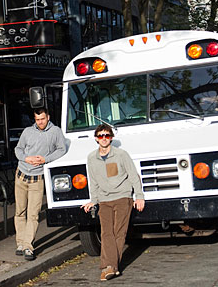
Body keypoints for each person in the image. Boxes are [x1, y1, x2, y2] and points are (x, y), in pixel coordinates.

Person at [81, 124, 145, 281]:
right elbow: (93, 181)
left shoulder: (121, 155)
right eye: (101, 136)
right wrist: (93, 201)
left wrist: (139, 196)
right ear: (96, 138)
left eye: (107, 136)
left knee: (119, 232)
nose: (104, 139)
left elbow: (133, 175)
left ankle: (108, 267)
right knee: (106, 232)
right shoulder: (91, 158)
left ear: (111, 138)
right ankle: (112, 267)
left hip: (123, 197)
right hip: (104, 199)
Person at [14, 107, 67, 260]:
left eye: (43, 119)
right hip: (21, 175)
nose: (40, 122)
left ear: (48, 117)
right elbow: (18, 149)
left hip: (37, 178)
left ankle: (28, 246)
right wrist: (25, 158)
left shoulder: (55, 131)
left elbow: (61, 149)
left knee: (33, 213)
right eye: (37, 120)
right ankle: (21, 242)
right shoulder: (27, 132)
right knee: (20, 211)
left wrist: (46, 159)